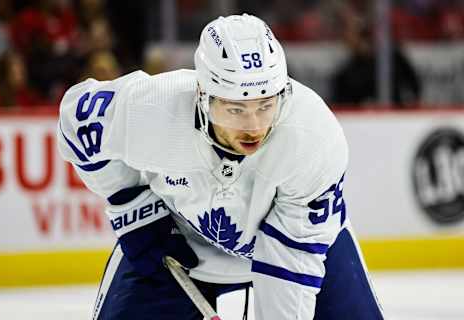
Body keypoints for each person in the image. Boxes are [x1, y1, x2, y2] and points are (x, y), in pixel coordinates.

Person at [57, 14, 384, 320]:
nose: (254, 126)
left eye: (266, 105)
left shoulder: (313, 138)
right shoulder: (153, 107)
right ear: (203, 95)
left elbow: (291, 263)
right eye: (236, 109)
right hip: (175, 246)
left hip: (302, 249)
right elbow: (76, 120)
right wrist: (133, 206)